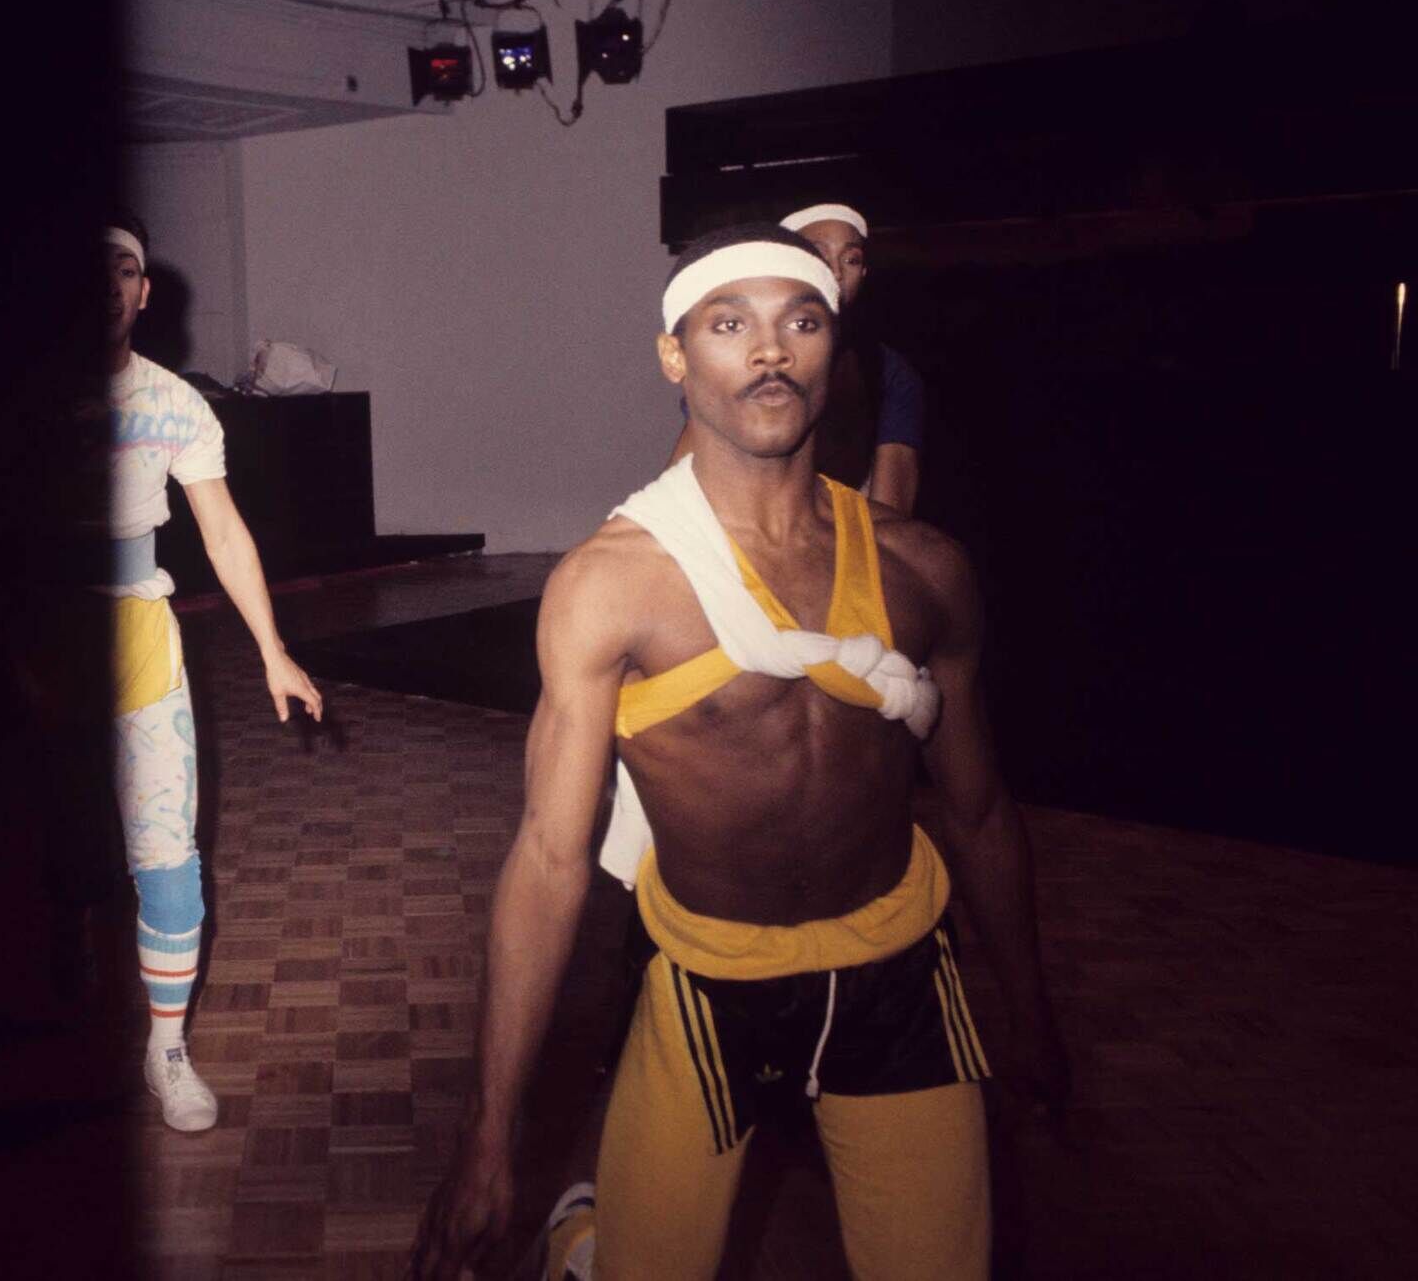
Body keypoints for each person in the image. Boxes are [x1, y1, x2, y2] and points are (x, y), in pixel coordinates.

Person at [412, 224, 1065, 1279]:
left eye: (798, 321)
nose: (769, 351)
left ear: (831, 352)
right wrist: (487, 1134)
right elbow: (546, 855)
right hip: (706, 986)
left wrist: (1029, 1012)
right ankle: (584, 1238)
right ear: (675, 356)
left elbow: (980, 811)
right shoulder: (611, 583)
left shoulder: (923, 568)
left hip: (899, 980)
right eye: (729, 325)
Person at [95, 213, 323, 1131]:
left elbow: (223, 531)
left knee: (170, 865)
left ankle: (166, 1048)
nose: (103, 286)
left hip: (138, 640)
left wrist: (273, 648)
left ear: (143, 292)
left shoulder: (175, 403)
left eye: (121, 270)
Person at [671, 203, 927, 516]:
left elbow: (891, 511)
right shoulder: (736, 361)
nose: (835, 271)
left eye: (851, 259)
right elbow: (684, 481)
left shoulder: (887, 370)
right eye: (818, 255)